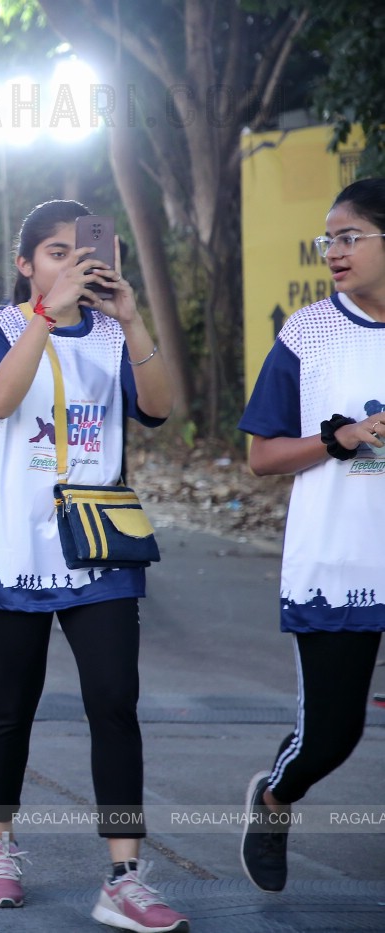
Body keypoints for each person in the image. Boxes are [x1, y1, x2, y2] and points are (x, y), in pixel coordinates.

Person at [0, 200, 185, 931]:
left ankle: (122, 874)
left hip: (97, 543)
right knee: (9, 703)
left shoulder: (115, 334)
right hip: (15, 546)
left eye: (81, 251)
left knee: (114, 700)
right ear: (25, 264)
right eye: (54, 252)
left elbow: (158, 405)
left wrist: (134, 317)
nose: (71, 263)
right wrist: (44, 317)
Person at [237, 177, 385, 894]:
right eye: (328, 238)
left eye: (349, 235)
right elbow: (262, 455)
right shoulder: (309, 332)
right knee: (332, 736)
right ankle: (272, 800)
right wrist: (340, 438)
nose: (333, 250)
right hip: (335, 563)